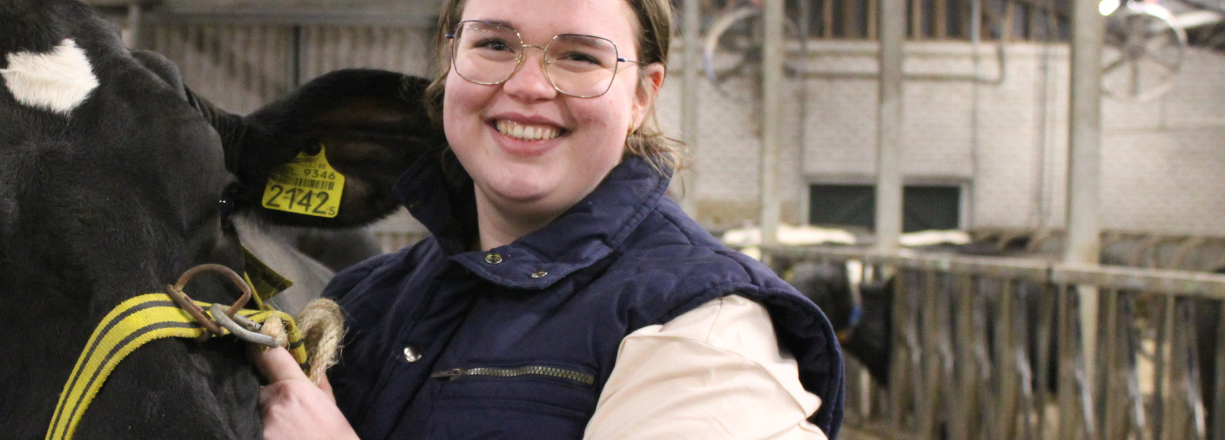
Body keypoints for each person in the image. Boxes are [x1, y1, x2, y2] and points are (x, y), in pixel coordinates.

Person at [251, 0, 845, 437]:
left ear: (642, 96)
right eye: (494, 45)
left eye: (580, 56)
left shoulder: (704, 330)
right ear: (450, 62)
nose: (529, 84)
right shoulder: (362, 302)